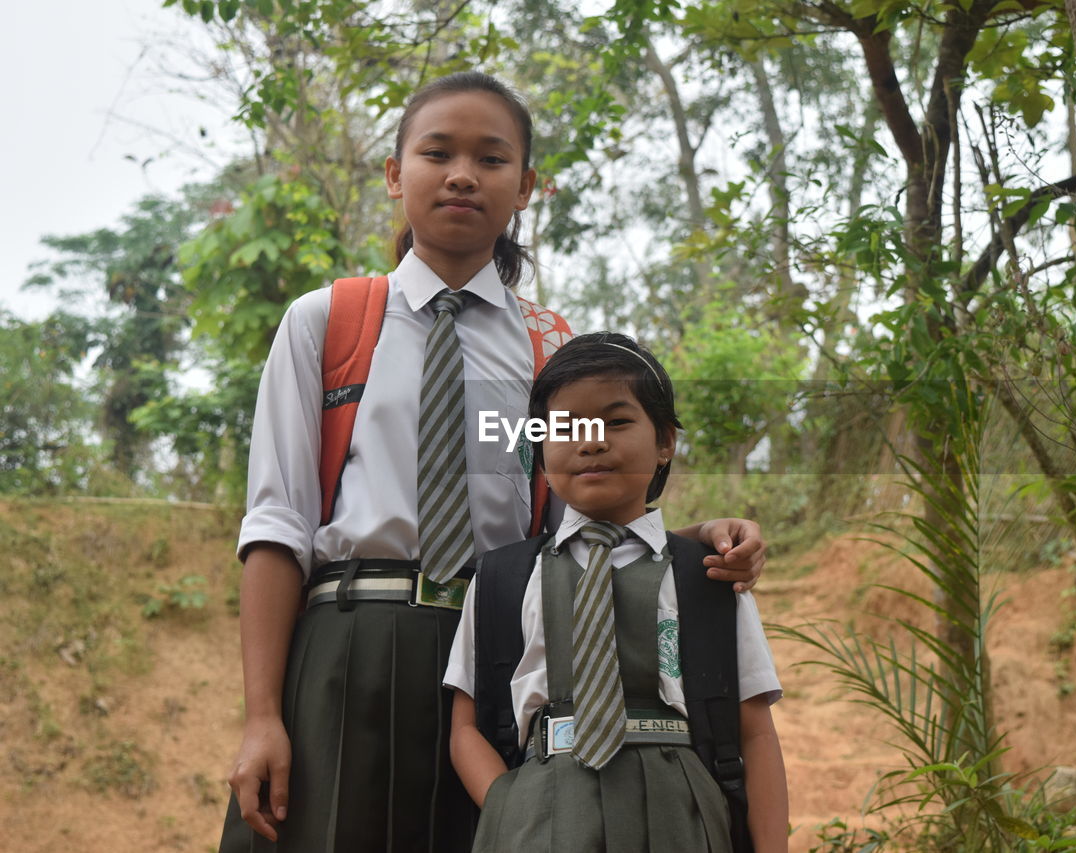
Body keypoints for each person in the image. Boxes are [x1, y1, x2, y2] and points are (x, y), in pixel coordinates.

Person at [219, 72, 767, 853]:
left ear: (527, 187)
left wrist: (693, 537)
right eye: (436, 152)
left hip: (505, 653)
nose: (462, 175)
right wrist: (263, 714)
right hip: (348, 647)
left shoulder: (551, 348)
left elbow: (586, 510)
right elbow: (277, 525)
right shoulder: (327, 321)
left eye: (492, 159)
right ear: (394, 173)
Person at [446, 333, 788, 853]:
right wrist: (509, 806)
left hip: (684, 814)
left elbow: (756, 732)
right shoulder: (501, 579)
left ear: (666, 440)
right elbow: (466, 728)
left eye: (617, 421)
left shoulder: (712, 577)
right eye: (565, 426)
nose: (591, 441)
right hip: (539, 812)